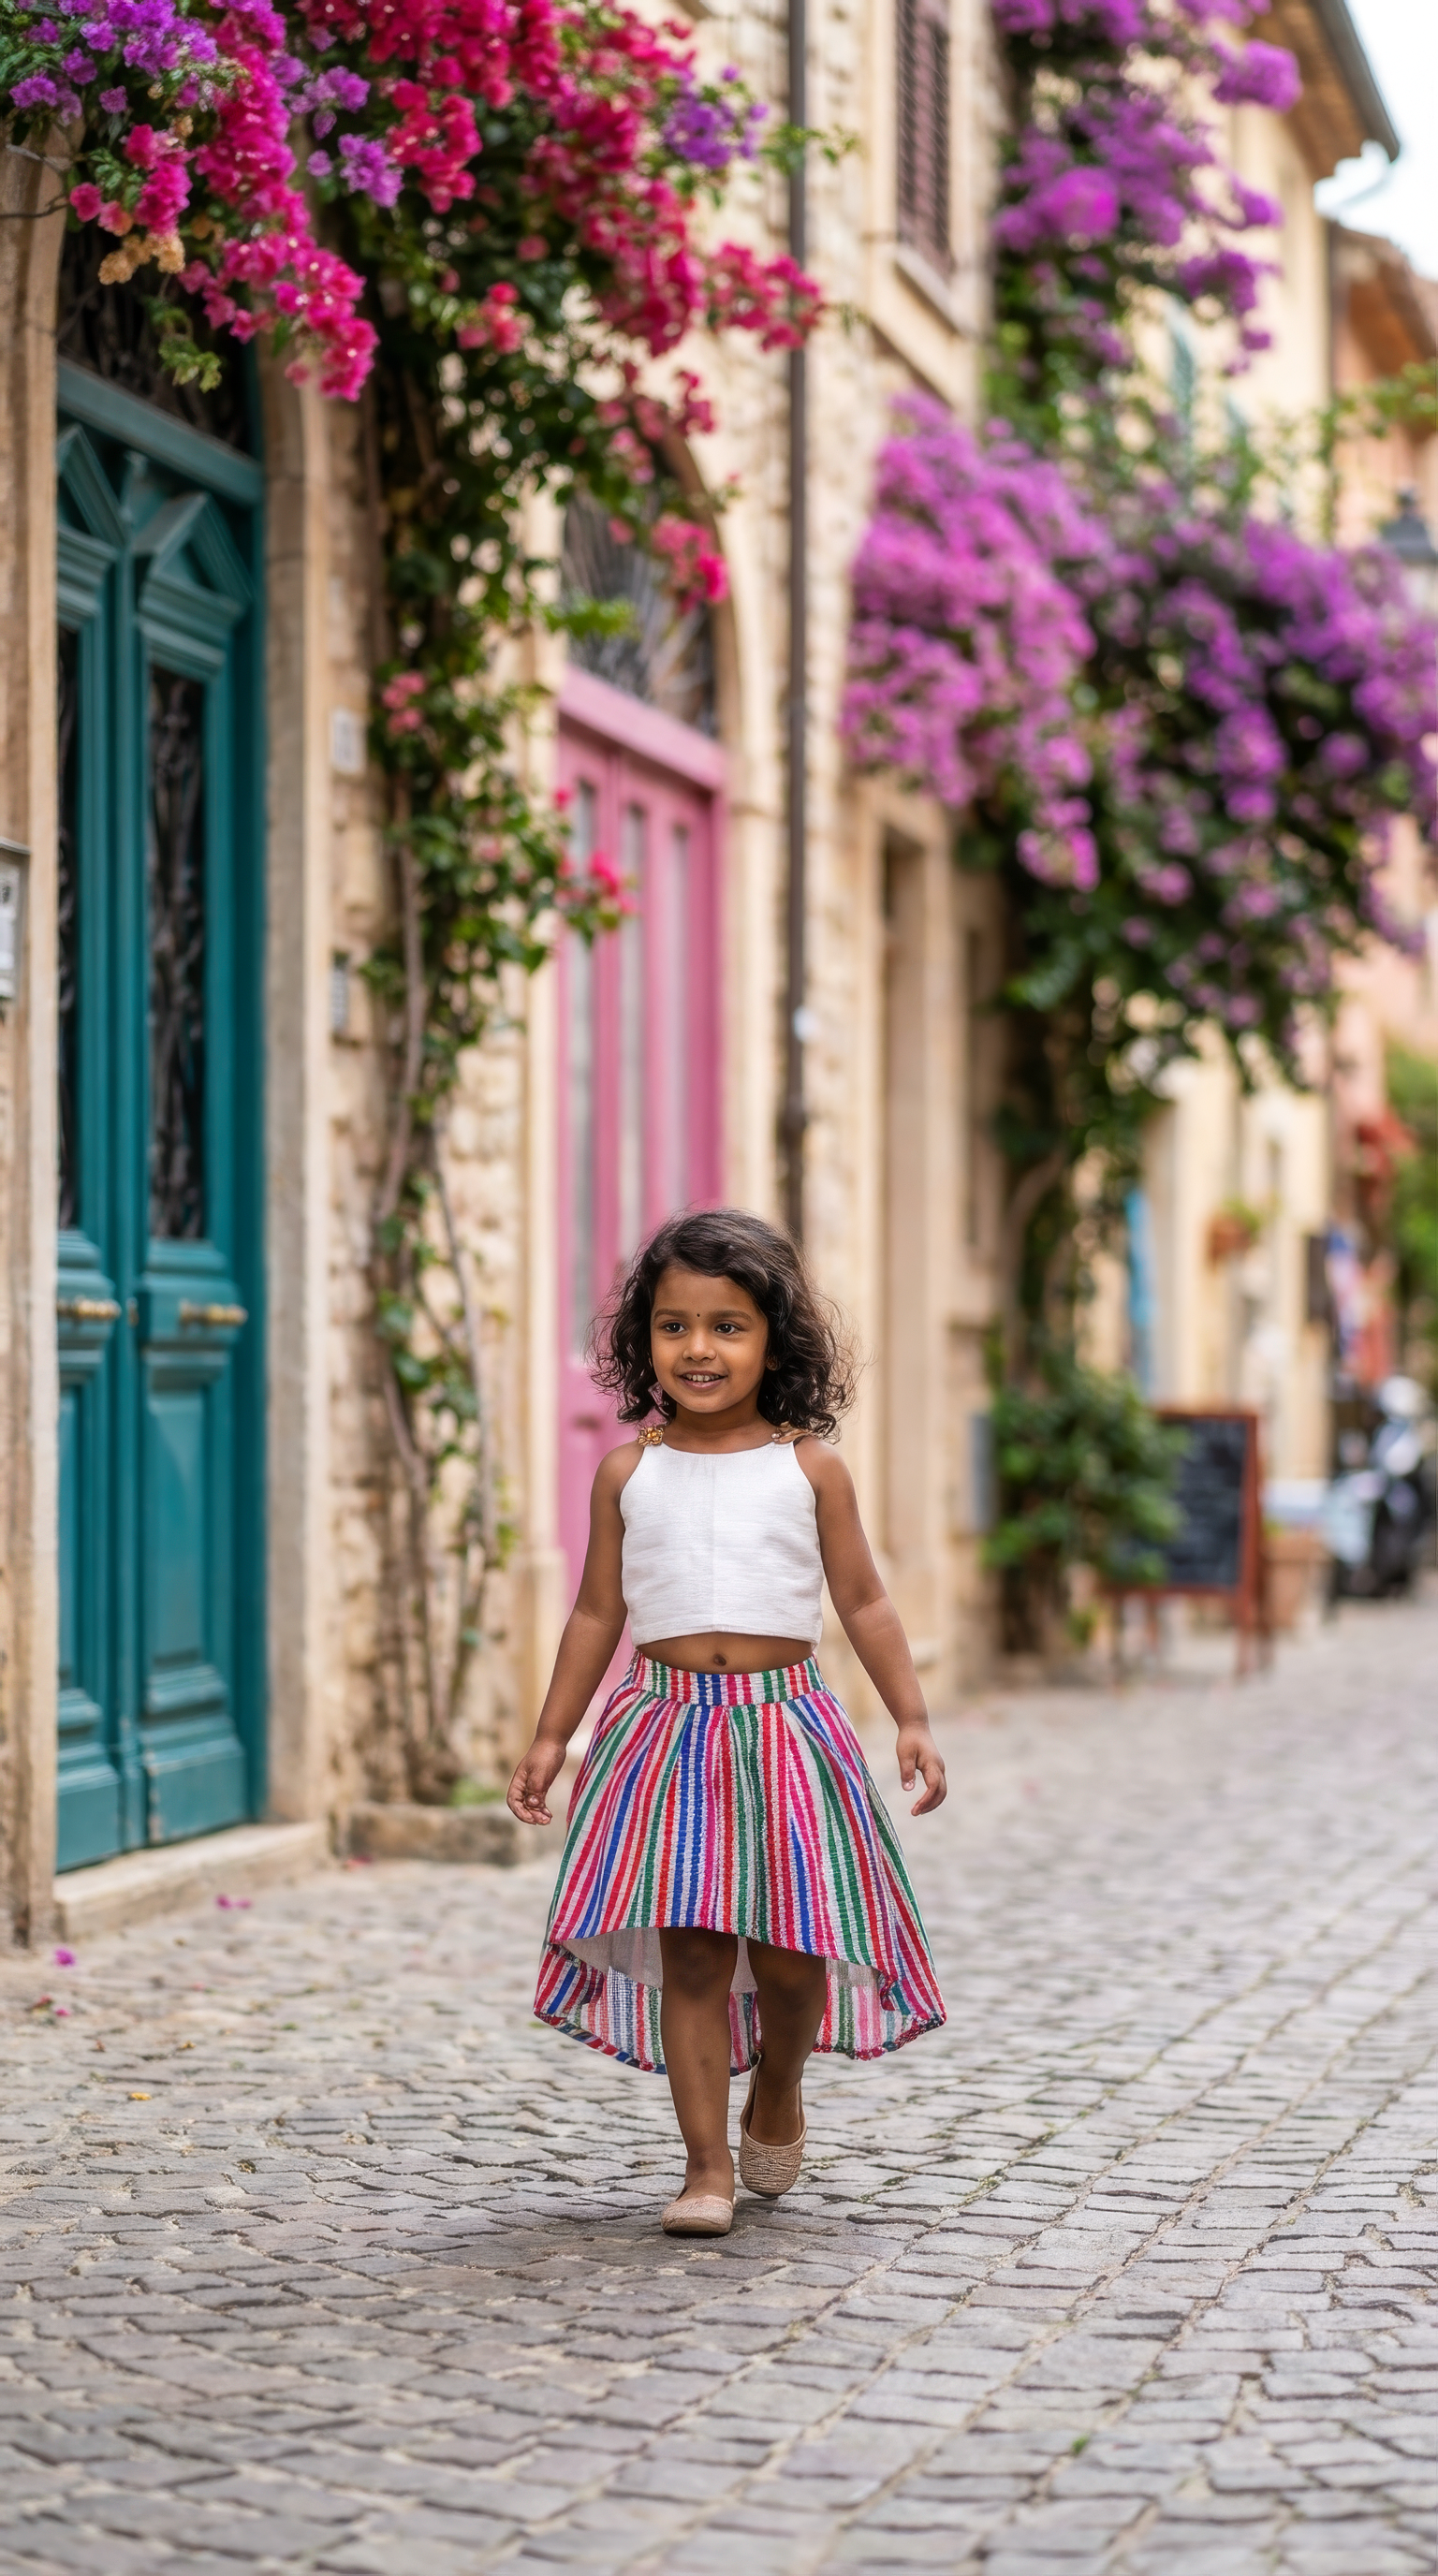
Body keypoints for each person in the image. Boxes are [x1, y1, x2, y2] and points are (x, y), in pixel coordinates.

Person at [507, 1208, 946, 2236]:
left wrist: (910, 1717)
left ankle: (780, 2083)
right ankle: (705, 2168)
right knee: (696, 1953)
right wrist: (547, 1735)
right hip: (663, 1733)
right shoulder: (629, 1472)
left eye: (727, 1326)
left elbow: (866, 1603)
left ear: (774, 1340)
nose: (698, 1348)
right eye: (674, 1326)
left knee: (796, 1954)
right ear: (643, 1340)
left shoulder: (809, 1470)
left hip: (785, 1732)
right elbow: (596, 1612)